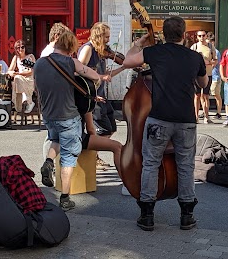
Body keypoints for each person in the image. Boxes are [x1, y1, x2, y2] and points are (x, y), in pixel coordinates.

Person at [123, 16, 208, 231]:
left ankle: (148, 215)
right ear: (184, 33)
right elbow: (203, 83)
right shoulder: (194, 56)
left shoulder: (155, 52)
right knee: (186, 166)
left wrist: (138, 44)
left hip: (159, 118)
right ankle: (187, 215)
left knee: (150, 163)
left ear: (164, 34)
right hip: (186, 119)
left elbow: (127, 62)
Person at [35, 31, 102, 211]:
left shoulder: (39, 63)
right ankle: (65, 198)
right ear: (71, 46)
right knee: (68, 156)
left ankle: (48, 162)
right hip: (68, 115)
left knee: (55, 140)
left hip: (48, 114)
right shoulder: (71, 62)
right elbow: (94, 76)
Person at [77, 23, 125, 169]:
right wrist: (100, 77)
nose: (108, 41)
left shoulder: (101, 51)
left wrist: (123, 67)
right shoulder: (88, 49)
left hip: (102, 95)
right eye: (106, 37)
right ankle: (92, 156)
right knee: (102, 128)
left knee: (111, 127)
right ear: (98, 36)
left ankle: (94, 154)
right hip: (92, 96)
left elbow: (106, 75)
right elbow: (79, 71)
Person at [190, 30, 217, 124]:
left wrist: (208, 63)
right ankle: (196, 117)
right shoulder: (194, 47)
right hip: (196, 74)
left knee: (205, 95)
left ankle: (206, 116)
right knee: (196, 96)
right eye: (199, 36)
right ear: (197, 37)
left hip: (207, 73)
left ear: (206, 36)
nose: (202, 37)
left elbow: (215, 60)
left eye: (203, 35)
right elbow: (190, 60)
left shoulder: (210, 46)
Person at [7, 40, 36, 114]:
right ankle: (24, 100)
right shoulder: (16, 58)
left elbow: (32, 71)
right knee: (16, 79)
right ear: (16, 49)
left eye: (22, 47)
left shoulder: (30, 57)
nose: (20, 49)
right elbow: (10, 70)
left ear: (25, 47)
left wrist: (19, 73)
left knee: (17, 79)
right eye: (18, 48)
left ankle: (25, 102)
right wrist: (12, 73)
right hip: (19, 79)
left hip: (29, 79)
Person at [207, 32, 222, 120]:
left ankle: (219, 112)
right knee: (206, 95)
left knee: (216, 95)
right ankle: (207, 112)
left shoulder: (215, 52)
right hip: (209, 75)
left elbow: (214, 64)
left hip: (215, 76)